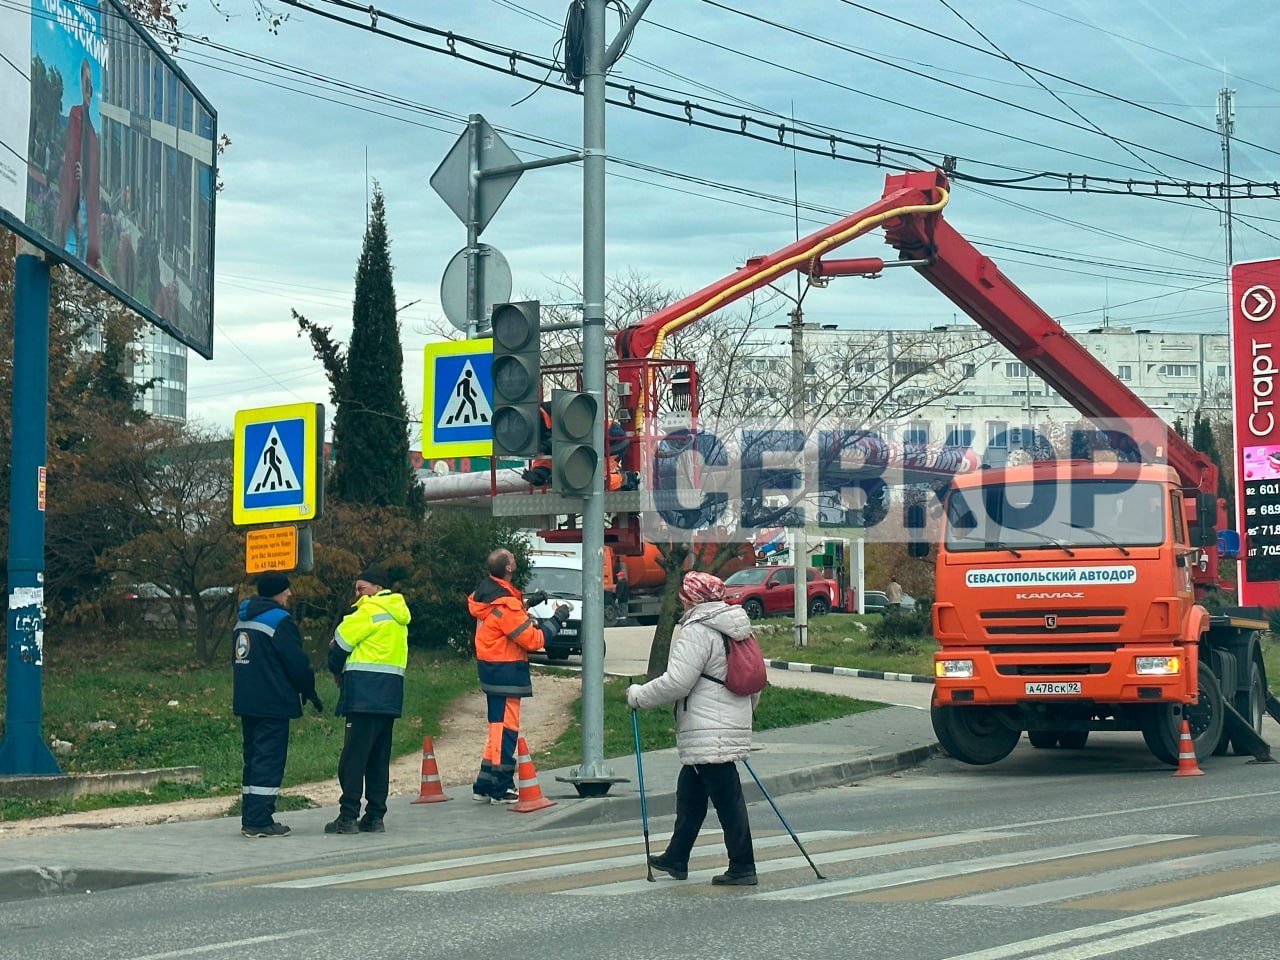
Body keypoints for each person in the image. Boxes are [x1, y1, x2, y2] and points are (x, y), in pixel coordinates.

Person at [627, 571, 759, 886]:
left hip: (707, 726)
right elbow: (754, 679)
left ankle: (743, 866)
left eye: (682, 597)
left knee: (727, 798)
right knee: (691, 790)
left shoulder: (697, 630)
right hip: (728, 720)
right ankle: (677, 856)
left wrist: (638, 697)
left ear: (690, 598)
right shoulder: (736, 626)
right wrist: (741, 715)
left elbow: (678, 682)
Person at [468, 548, 570, 803]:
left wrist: (528, 603)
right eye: (512, 558)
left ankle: (485, 783)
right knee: (506, 730)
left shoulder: (487, 594)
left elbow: (502, 617)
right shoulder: (505, 604)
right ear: (509, 569)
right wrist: (558, 619)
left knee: (497, 728)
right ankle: (502, 788)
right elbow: (533, 640)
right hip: (506, 672)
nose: (515, 559)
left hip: (492, 670)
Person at [232, 571, 322, 839]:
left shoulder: (242, 618)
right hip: (273, 701)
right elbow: (295, 662)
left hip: (247, 700)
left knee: (253, 758)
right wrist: (309, 691)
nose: (290, 594)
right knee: (268, 759)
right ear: (276, 592)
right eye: (286, 590)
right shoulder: (279, 620)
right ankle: (260, 821)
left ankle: (251, 815)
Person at [325, 564, 410, 835]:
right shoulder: (399, 616)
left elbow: (338, 647)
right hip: (389, 697)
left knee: (353, 759)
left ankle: (347, 817)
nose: (358, 594)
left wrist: (336, 670)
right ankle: (375, 816)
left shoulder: (367, 612)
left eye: (362, 588)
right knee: (377, 759)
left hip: (362, 695)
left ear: (376, 589)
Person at [54, 58, 101, 269]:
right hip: (73, 194)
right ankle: (67, 275)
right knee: (71, 244)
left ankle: (74, 281)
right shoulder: (75, 115)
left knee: (82, 249)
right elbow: (71, 153)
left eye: (90, 86)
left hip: (85, 199)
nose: (88, 91)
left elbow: (94, 172)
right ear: (81, 86)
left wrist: (86, 178)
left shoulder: (92, 131)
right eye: (85, 84)